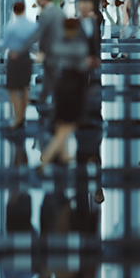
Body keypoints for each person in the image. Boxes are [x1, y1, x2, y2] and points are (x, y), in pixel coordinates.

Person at [37, 19, 93, 170]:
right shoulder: (80, 46)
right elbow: (82, 66)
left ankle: (63, 154)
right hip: (74, 86)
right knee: (69, 124)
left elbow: (51, 62)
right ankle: (46, 159)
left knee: (61, 121)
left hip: (60, 84)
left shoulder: (57, 45)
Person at [14, 0, 65, 103]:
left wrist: (23, 47)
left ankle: (60, 101)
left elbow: (38, 33)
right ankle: (43, 98)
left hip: (50, 49)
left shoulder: (46, 13)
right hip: (59, 48)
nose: (37, 2)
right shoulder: (59, 11)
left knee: (53, 75)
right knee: (49, 74)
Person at [2, 2, 37, 130]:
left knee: (12, 89)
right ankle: (22, 116)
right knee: (24, 87)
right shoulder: (33, 25)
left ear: (14, 11)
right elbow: (34, 42)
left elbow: (4, 43)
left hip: (13, 58)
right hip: (26, 57)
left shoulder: (11, 26)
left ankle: (17, 119)